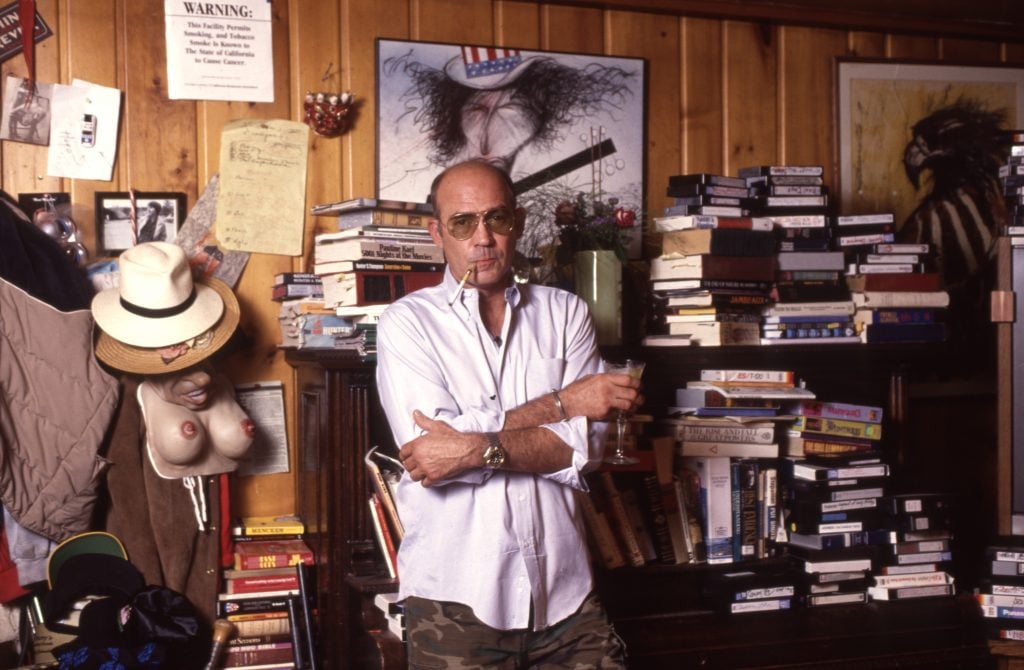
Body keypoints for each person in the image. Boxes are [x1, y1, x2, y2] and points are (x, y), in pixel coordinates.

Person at [375, 159, 641, 668]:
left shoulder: (566, 314)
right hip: (455, 600)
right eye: (463, 222)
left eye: (497, 219)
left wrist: (472, 448)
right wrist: (564, 404)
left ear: (516, 223)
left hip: (566, 596)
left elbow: (588, 450)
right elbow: (432, 457)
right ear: (437, 232)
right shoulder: (407, 324)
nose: (483, 238)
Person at [90, 241, 254, 625]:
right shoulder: (129, 392)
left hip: (213, 540)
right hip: (155, 556)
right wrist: (145, 590)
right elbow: (124, 492)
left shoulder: (216, 374)